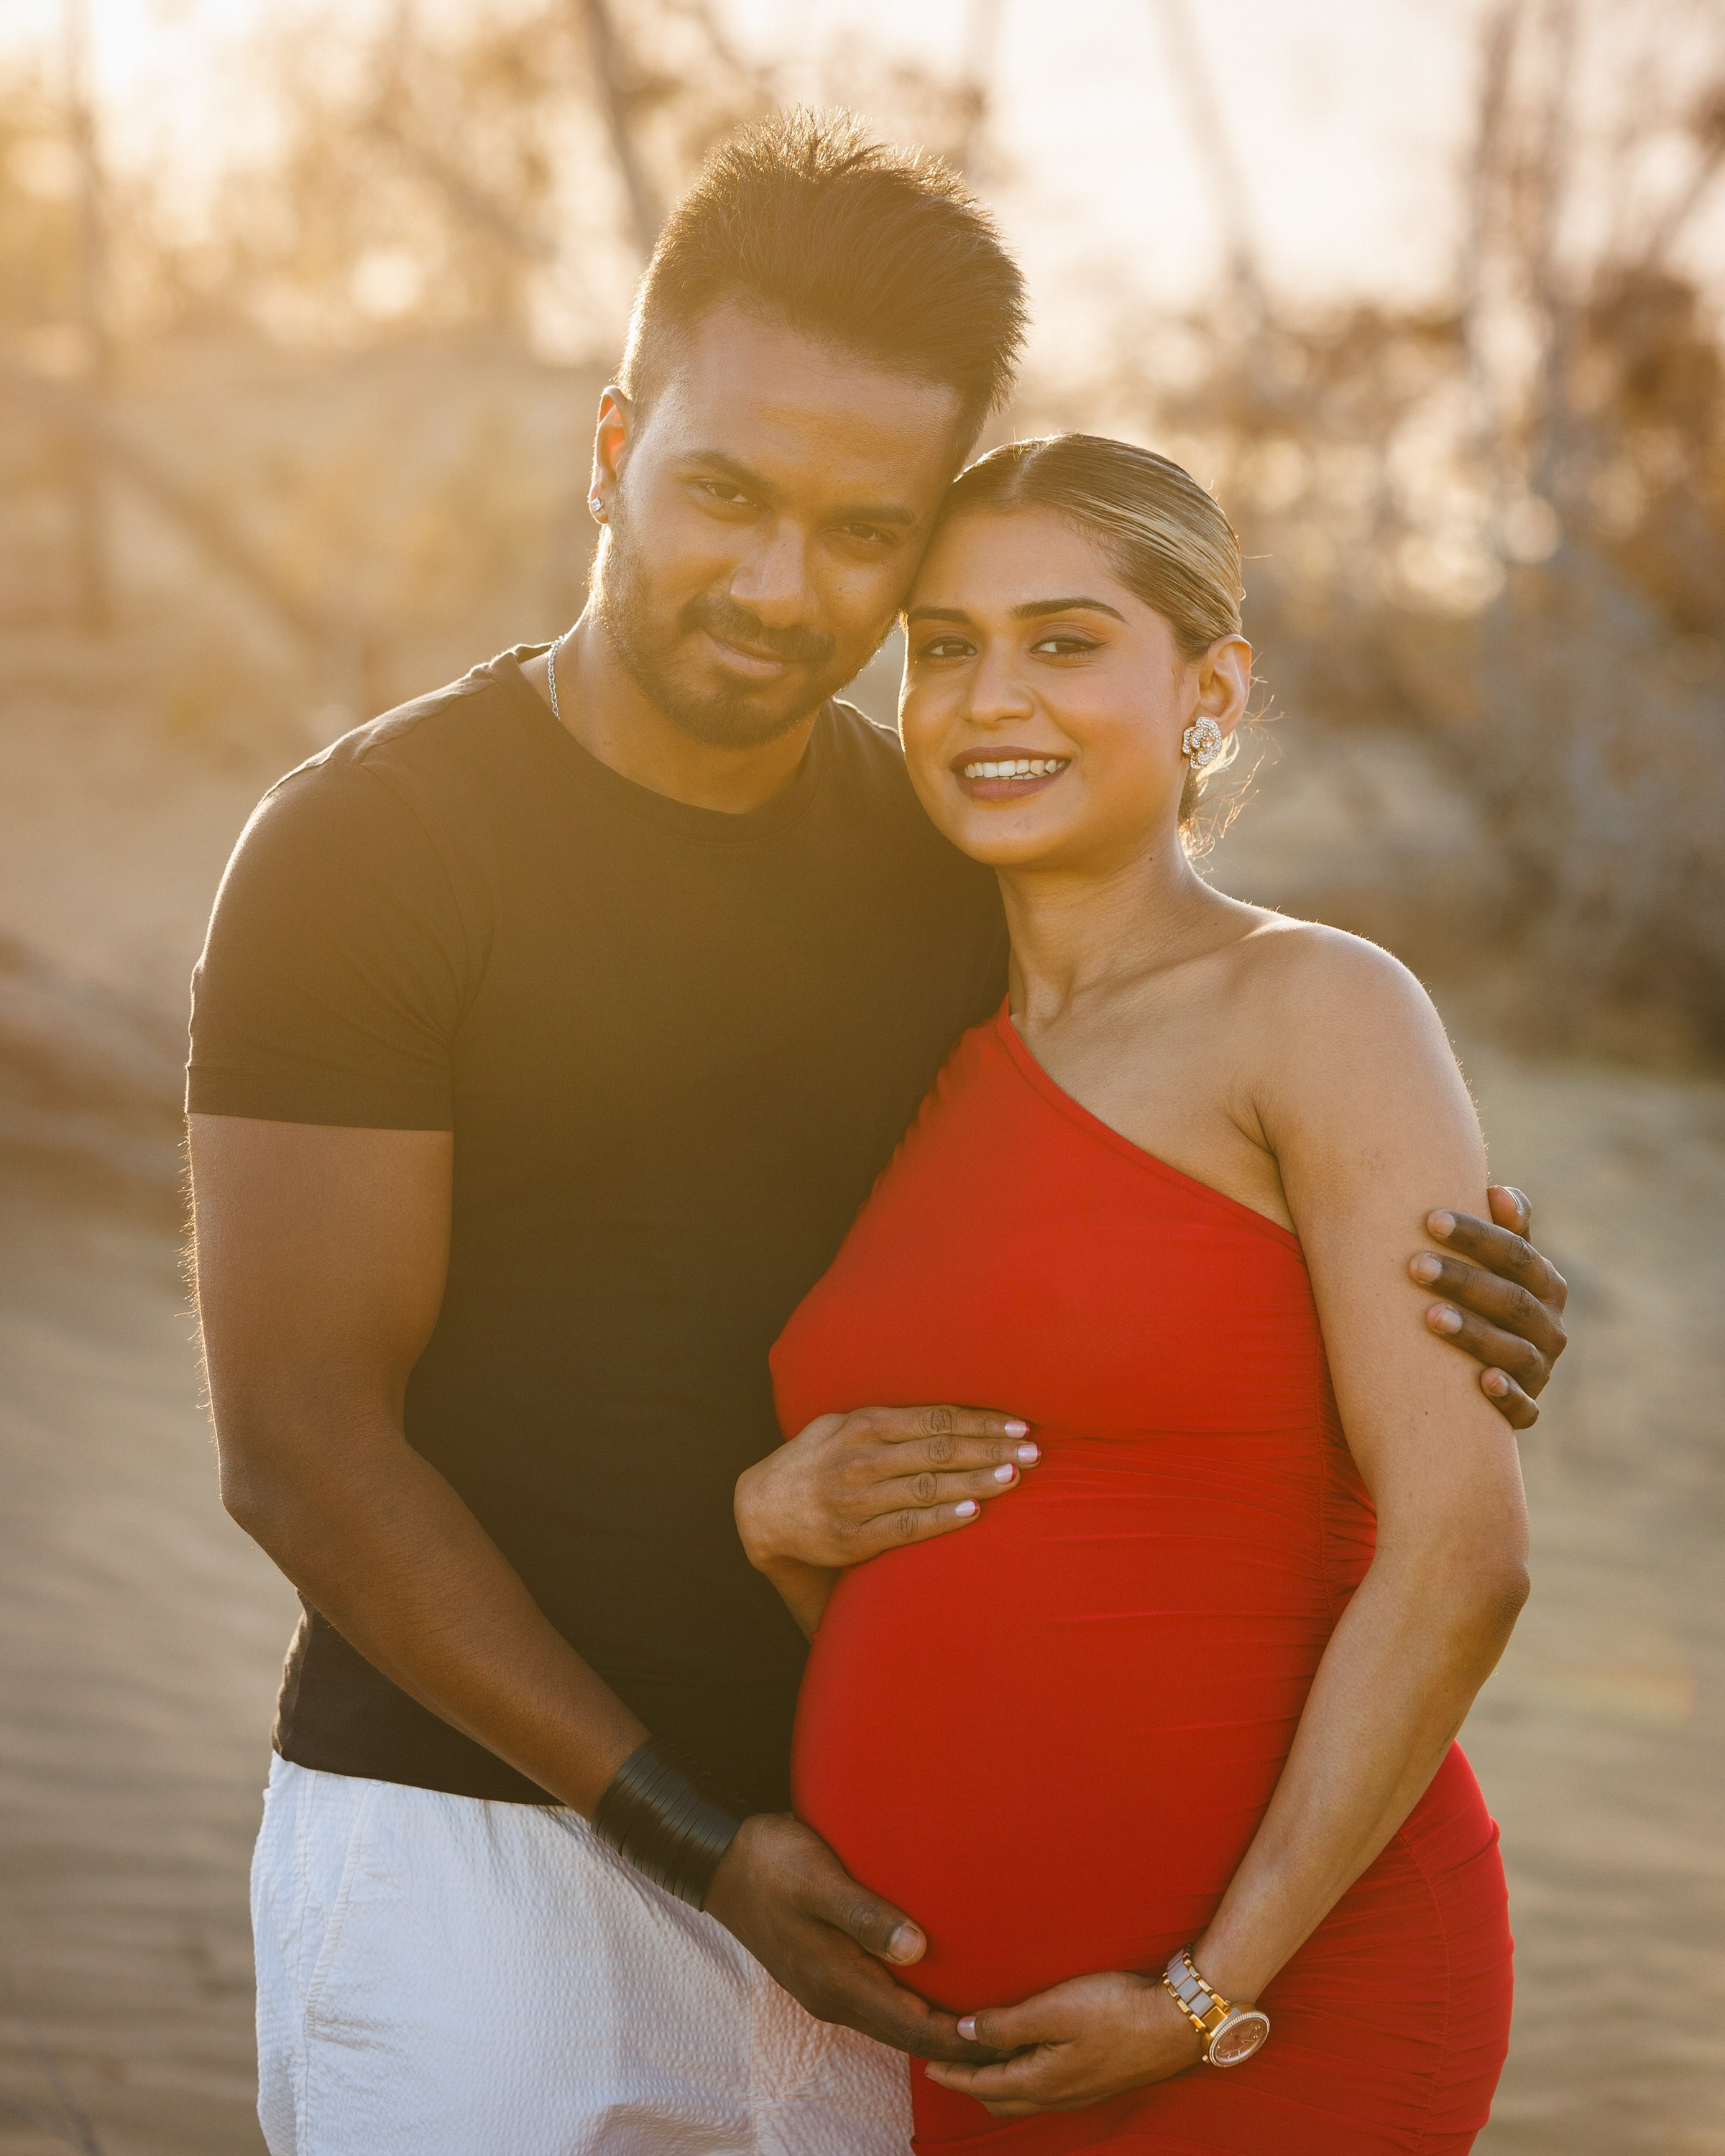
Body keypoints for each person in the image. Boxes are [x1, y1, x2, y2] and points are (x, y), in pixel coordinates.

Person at [186, 115, 1566, 2156]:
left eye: (862, 536)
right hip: (482, 1854)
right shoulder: (365, 852)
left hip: (877, 1916)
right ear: (609, 450)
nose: (777, 584)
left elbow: (1175, 1184)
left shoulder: (950, 868)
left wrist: (1468, 1278)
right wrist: (687, 1827)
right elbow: (300, 1448)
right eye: (722, 494)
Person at [750, 433, 1540, 2154]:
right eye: (943, 645)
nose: (987, 695)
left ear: (1212, 687)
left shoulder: (1315, 1006)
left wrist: (1202, 1998)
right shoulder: (912, 1050)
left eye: (1064, 639)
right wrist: (771, 1516)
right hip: (965, 2036)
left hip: (1280, 2015)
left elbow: (1466, 1555)